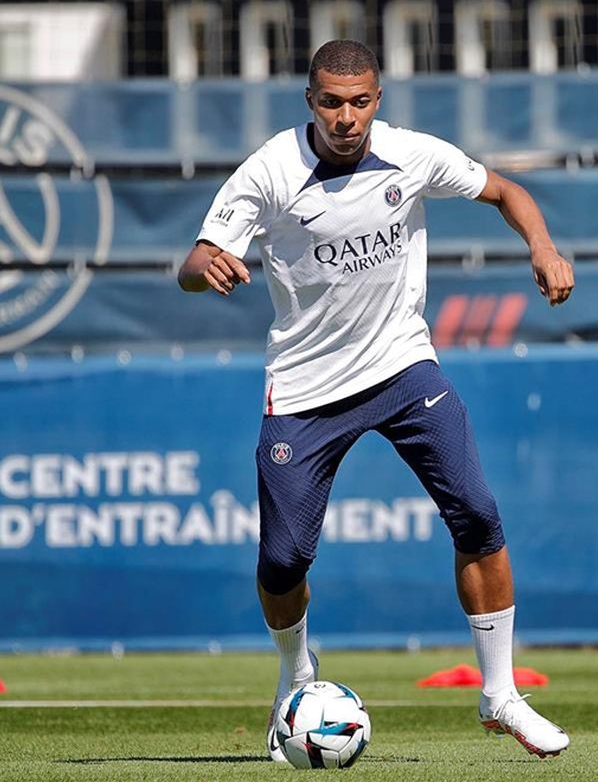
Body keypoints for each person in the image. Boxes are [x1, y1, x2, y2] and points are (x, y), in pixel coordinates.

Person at [178, 39, 574, 761]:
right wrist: (209, 264)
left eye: (360, 101)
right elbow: (191, 267)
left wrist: (542, 247)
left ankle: (501, 696)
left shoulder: (410, 154)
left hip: (402, 368)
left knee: (479, 514)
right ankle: (297, 672)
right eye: (331, 101)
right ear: (310, 102)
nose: (347, 116)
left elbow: (507, 191)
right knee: (283, 558)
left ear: (378, 100)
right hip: (305, 387)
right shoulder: (270, 171)